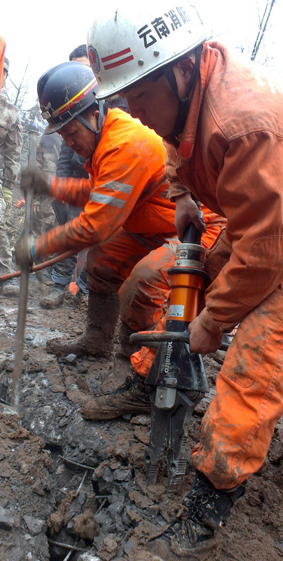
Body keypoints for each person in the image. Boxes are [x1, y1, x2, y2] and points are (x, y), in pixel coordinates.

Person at [86, 0, 283, 561]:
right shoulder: (189, 91)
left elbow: (269, 250)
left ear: (181, 71)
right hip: (273, 207)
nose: (132, 111)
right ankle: (151, 381)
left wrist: (213, 322)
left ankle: (210, 502)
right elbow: (175, 144)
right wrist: (184, 194)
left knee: (255, 357)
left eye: (137, 95)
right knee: (150, 281)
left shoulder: (246, 118)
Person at [15, 61, 224, 370]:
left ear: (93, 114)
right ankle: (97, 340)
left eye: (71, 131)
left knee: (142, 282)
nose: (69, 143)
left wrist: (37, 247)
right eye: (62, 135)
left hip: (197, 230)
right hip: (156, 225)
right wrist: (51, 186)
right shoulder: (105, 137)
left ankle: (137, 371)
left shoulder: (124, 143)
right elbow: (99, 192)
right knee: (103, 258)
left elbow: (95, 225)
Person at [40, 44, 91, 309]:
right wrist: (58, 188)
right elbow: (64, 155)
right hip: (76, 182)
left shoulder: (106, 102)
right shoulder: (66, 106)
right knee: (70, 231)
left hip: (102, 181)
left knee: (99, 239)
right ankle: (59, 285)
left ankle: (84, 289)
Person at [0, 56, 23, 296]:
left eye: (4, 71)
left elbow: (12, 154)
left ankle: (4, 275)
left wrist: (7, 187)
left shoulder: (10, 113)